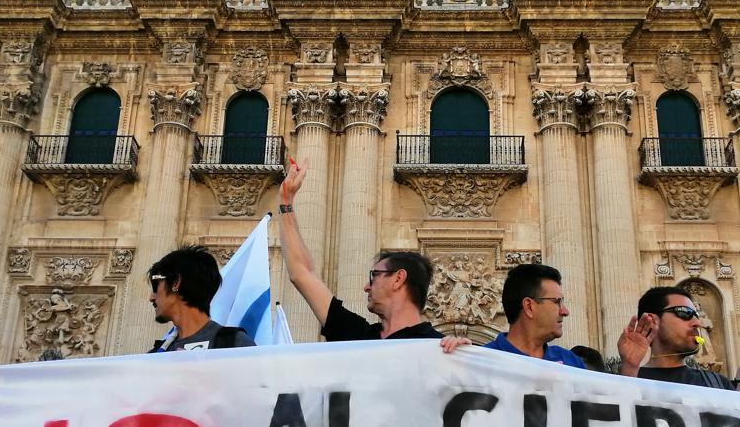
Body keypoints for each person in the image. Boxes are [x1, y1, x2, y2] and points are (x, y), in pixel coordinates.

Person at [278, 158, 443, 342]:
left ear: (398, 279)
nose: (366, 287)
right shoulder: (357, 336)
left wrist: (464, 351)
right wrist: (286, 201)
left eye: (374, 276)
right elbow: (302, 273)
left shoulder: (441, 349)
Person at [616, 286, 731, 389]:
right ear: (653, 321)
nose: (697, 322)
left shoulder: (718, 385)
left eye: (696, 315)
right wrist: (629, 368)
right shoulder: (624, 381)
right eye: (685, 313)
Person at [145, 246, 255, 352]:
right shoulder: (155, 356)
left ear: (176, 282)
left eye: (155, 285)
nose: (151, 298)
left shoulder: (237, 345)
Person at [483, 264, 584, 368]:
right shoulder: (482, 363)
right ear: (529, 306)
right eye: (557, 301)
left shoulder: (572, 363)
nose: (565, 312)